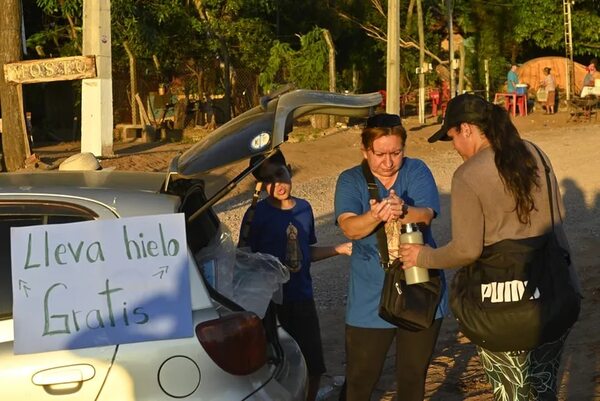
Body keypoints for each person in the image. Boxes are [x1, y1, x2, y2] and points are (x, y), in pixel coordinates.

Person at [399, 94, 581, 401]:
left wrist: (422, 256)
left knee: (511, 393)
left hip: (502, 309)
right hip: (553, 295)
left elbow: (466, 250)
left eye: (453, 137)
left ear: (467, 129)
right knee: (543, 389)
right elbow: (557, 218)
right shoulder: (534, 153)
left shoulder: (468, 175)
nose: (454, 147)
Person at [333, 113, 448, 401]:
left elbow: (426, 215)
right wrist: (374, 215)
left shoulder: (417, 170)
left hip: (419, 289)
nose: (388, 162)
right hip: (369, 299)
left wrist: (401, 209)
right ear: (365, 151)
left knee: (412, 378)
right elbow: (350, 227)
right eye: (380, 154)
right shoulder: (350, 180)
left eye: (396, 153)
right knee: (360, 379)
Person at [240, 149, 352, 401]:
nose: (278, 184)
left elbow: (304, 253)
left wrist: (339, 249)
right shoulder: (255, 215)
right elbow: (244, 258)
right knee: (274, 366)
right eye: (268, 180)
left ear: (289, 169)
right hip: (269, 304)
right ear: (260, 185)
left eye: (280, 173)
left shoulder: (304, 208)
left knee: (313, 364)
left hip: (301, 297)